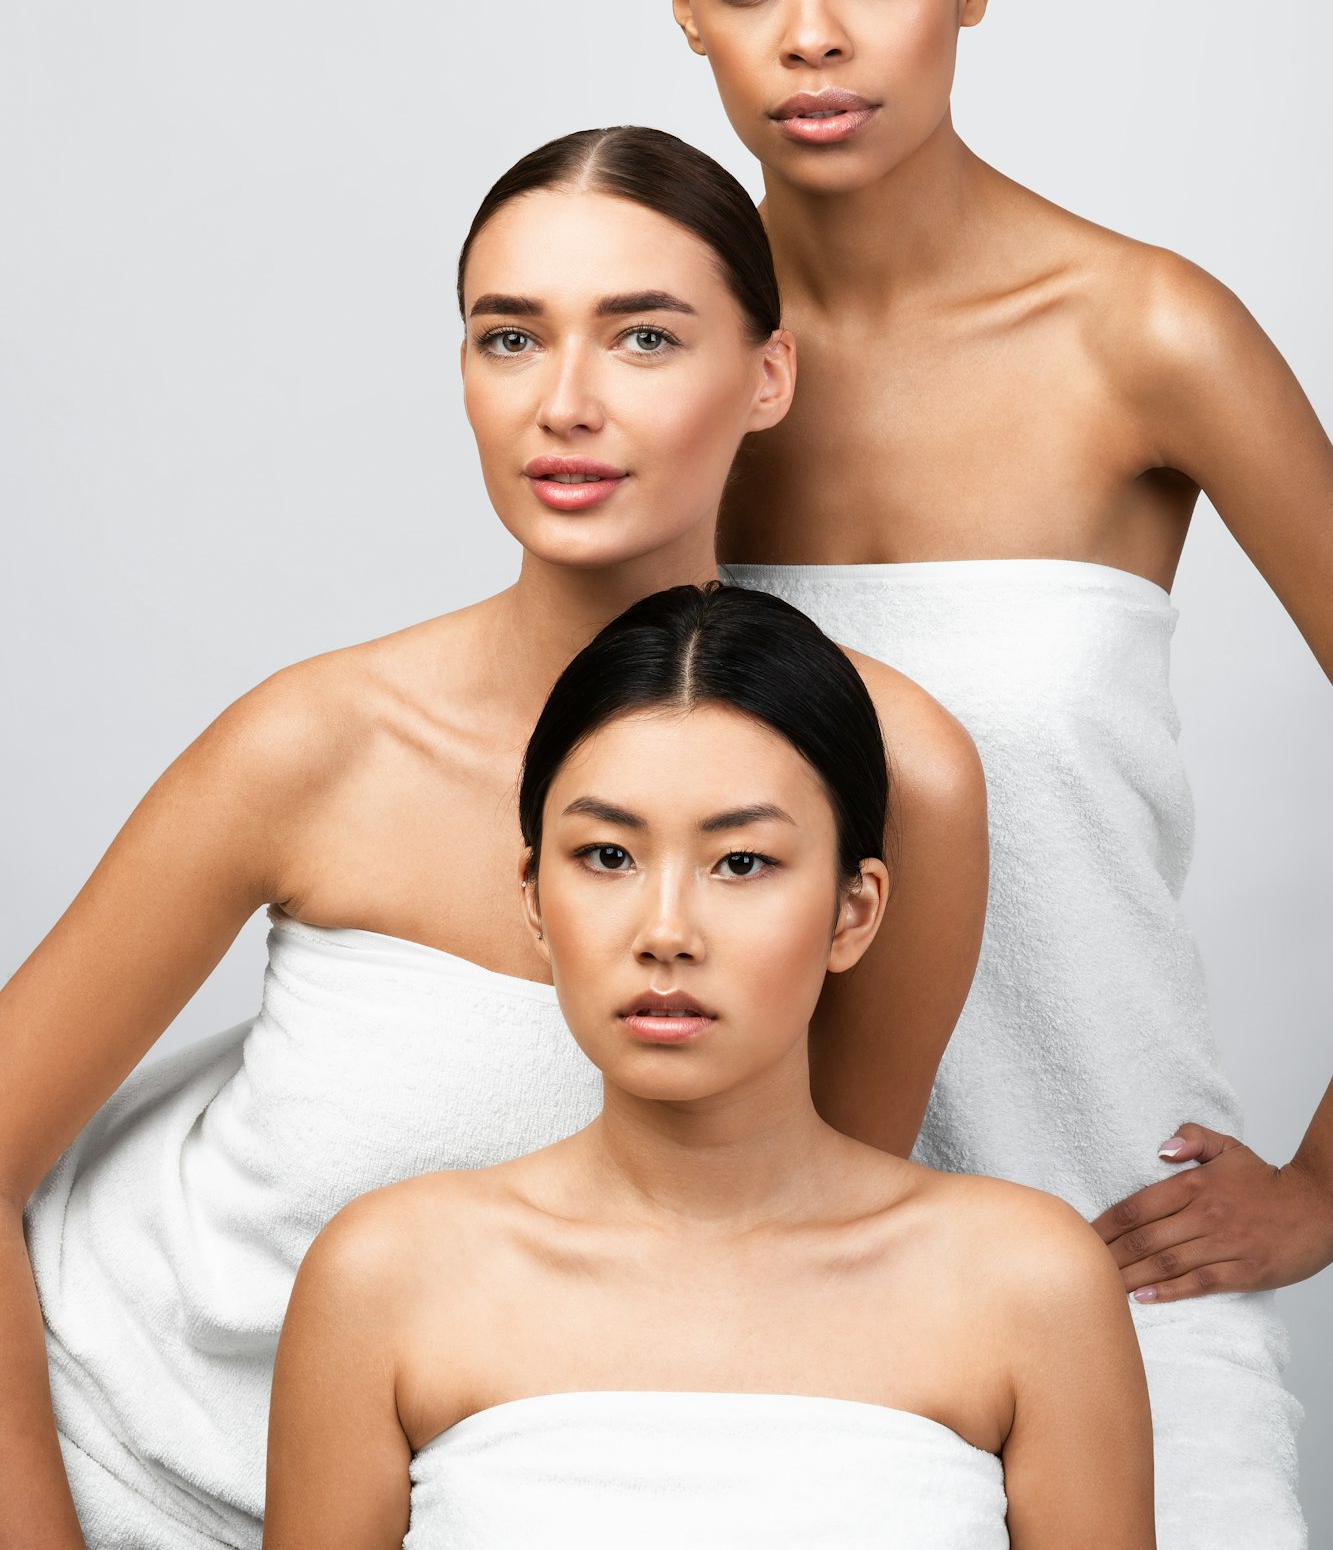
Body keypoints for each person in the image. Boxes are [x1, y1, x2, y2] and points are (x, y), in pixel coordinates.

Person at [2, 125, 986, 1550]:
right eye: (509, 338)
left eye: (643, 338)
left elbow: (794, 1251)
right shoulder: (320, 743)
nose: (564, 404)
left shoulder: (895, 781)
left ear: (767, 374)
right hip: (90, 1449)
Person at [653, 0, 1329, 1545]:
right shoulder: (666, 365)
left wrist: (1328, 1187)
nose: (809, 33)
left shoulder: (1143, 338)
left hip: (1112, 1277)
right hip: (750, 1298)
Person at [264, 582, 1153, 1550]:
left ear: (854, 910)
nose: (666, 932)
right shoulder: (384, 1281)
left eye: (740, 862)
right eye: (607, 854)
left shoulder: (1029, 1283)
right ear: (532, 897)